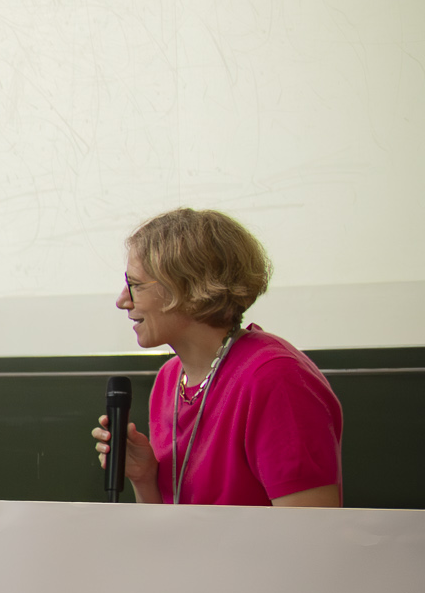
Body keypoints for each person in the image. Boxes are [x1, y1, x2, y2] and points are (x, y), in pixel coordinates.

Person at [93, 209, 342, 507]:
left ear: (187, 287)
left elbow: (311, 529)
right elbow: (167, 528)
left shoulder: (275, 379)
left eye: (135, 285)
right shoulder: (170, 379)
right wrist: (145, 478)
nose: (122, 301)